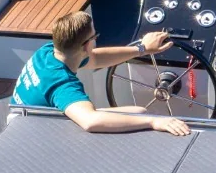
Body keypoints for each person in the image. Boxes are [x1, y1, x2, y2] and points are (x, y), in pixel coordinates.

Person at [14, 8, 192, 135]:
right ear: (86, 44)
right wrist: (154, 121)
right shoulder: (63, 86)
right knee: (143, 114)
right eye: (94, 36)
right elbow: (90, 121)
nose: (96, 39)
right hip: (32, 133)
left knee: (139, 113)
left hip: (20, 121)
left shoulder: (49, 52)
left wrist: (143, 49)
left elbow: (96, 59)